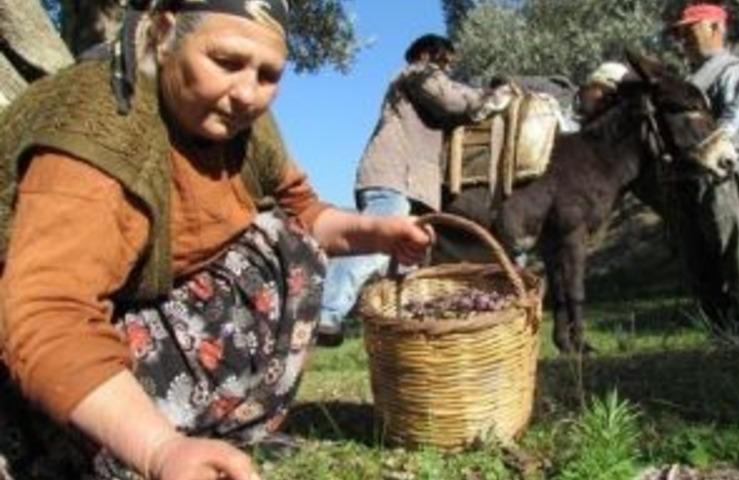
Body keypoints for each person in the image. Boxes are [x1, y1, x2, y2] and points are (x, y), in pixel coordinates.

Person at [0, 1, 432, 479]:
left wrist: (378, 232)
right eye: (226, 62)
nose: (247, 93)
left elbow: (304, 213)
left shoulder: (243, 125)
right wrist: (159, 450)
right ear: (165, 33)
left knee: (286, 243)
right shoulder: (98, 130)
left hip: (136, 312)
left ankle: (217, 440)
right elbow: (46, 314)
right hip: (35, 363)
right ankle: (105, 448)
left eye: (268, 75)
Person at [317, 34, 508, 345]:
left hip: (411, 185)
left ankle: (400, 336)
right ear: (426, 55)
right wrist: (491, 96)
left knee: (405, 261)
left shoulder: (424, 85)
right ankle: (324, 313)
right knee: (371, 245)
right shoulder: (418, 74)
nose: (448, 68)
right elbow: (451, 100)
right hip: (394, 176)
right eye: (445, 60)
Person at [669, 3, 739, 339]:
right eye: (680, 34)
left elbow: (734, 120)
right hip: (690, 180)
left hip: (726, 175)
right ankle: (719, 336)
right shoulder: (692, 79)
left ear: (715, 27)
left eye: (689, 30)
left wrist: (708, 144)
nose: (683, 39)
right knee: (700, 262)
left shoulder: (735, 70)